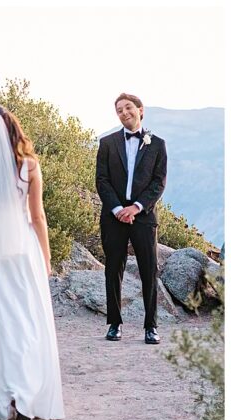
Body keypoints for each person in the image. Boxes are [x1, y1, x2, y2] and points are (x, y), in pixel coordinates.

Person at [0, 106, 65, 420]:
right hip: (23, 250)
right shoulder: (29, 168)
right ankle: (25, 394)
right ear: (12, 130)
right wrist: (46, 259)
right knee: (26, 321)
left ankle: (4, 396)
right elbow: (37, 218)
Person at [95, 93, 167, 344]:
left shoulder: (157, 144)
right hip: (113, 216)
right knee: (113, 268)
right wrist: (117, 209)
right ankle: (114, 324)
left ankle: (151, 326)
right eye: (119, 110)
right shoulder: (107, 143)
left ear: (140, 110)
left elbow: (159, 183)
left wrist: (136, 207)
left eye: (128, 108)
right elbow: (101, 180)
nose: (124, 113)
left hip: (144, 216)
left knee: (149, 269)